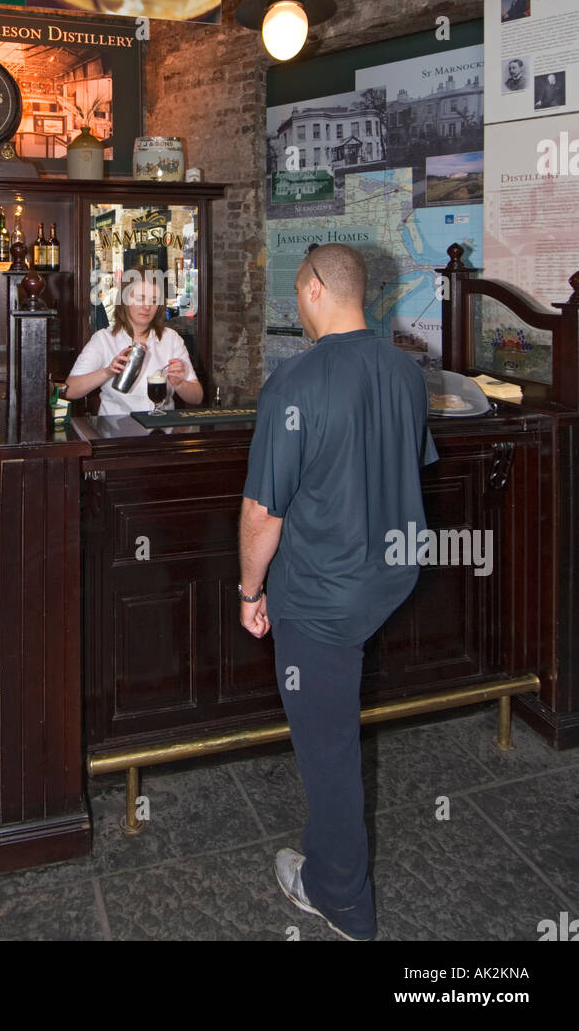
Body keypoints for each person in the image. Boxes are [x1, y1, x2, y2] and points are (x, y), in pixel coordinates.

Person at [238, 243, 438, 941]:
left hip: (324, 595)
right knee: (335, 724)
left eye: (298, 291)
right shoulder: (407, 371)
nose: (298, 305)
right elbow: (399, 466)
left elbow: (263, 512)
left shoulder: (294, 384)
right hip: (388, 578)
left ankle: (340, 897)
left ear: (318, 289)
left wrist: (249, 589)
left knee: (327, 751)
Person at [65, 266, 204, 415]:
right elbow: (69, 391)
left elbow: (197, 397)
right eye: (140, 298)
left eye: (154, 300)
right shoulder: (104, 339)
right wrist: (107, 372)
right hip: (116, 431)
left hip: (161, 430)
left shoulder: (171, 339)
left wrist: (180, 383)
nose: (147, 307)